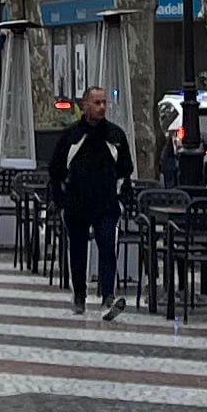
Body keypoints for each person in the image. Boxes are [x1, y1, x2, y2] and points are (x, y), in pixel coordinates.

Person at [55, 86, 135, 318]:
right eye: (97, 103)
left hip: (106, 204)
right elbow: (56, 171)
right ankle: (79, 294)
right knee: (78, 251)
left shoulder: (116, 136)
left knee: (108, 248)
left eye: (104, 103)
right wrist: (61, 202)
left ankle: (108, 295)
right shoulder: (71, 137)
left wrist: (121, 197)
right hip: (77, 205)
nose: (101, 107)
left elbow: (125, 170)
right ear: (85, 105)